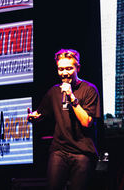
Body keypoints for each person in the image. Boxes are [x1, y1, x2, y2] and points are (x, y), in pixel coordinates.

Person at [27, 48, 101, 190]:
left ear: (77, 68)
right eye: (61, 69)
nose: (64, 73)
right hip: (59, 151)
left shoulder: (89, 90)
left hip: (82, 152)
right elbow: (41, 113)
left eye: (68, 68)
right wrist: (33, 117)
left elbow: (87, 122)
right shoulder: (54, 91)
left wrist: (72, 97)